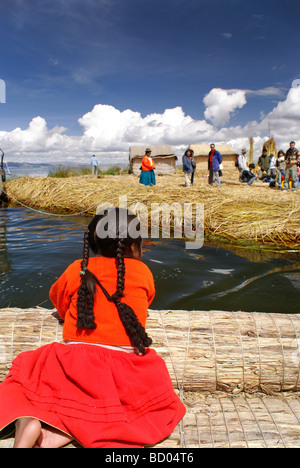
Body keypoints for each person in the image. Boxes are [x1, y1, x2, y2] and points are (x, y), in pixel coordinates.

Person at [0, 208, 186, 448]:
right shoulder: (143, 273)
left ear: (93, 243)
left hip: (73, 363)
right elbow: (143, 305)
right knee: (148, 390)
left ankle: (39, 426)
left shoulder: (78, 269)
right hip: (125, 370)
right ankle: (64, 433)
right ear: (133, 247)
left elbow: (59, 300)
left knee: (26, 373)